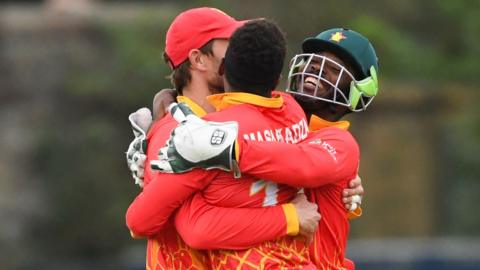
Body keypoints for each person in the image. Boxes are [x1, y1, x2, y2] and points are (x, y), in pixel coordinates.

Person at [151, 28, 379, 269]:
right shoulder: (271, 110)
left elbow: (303, 165)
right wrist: (168, 103)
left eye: (333, 70)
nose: (315, 69)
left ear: (359, 91)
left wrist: (231, 149)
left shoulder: (339, 144)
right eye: (313, 61)